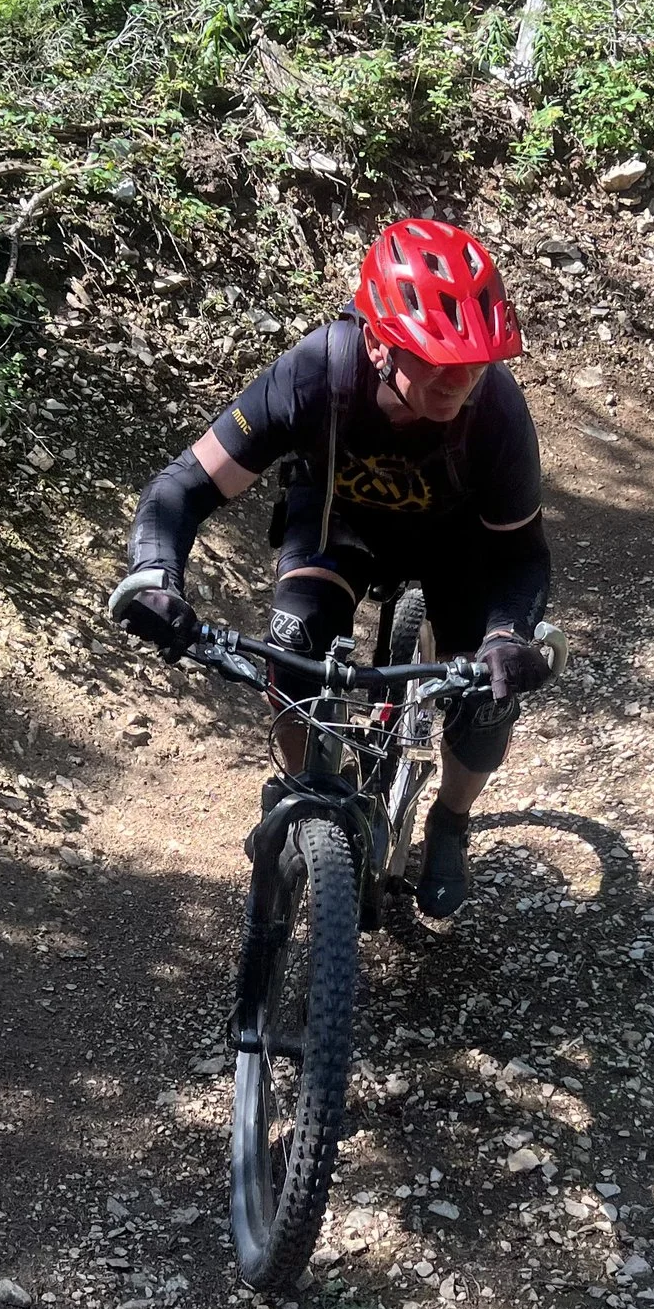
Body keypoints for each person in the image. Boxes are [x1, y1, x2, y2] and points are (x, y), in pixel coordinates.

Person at [108, 218, 553, 920]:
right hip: (337, 526)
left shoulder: (495, 409)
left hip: (456, 542)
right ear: (378, 341)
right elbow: (183, 486)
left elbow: (522, 555)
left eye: (473, 362)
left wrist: (507, 635)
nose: (459, 380)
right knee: (294, 648)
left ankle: (450, 821)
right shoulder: (317, 372)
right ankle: (308, 791)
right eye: (434, 358)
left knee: (484, 695)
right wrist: (155, 575)